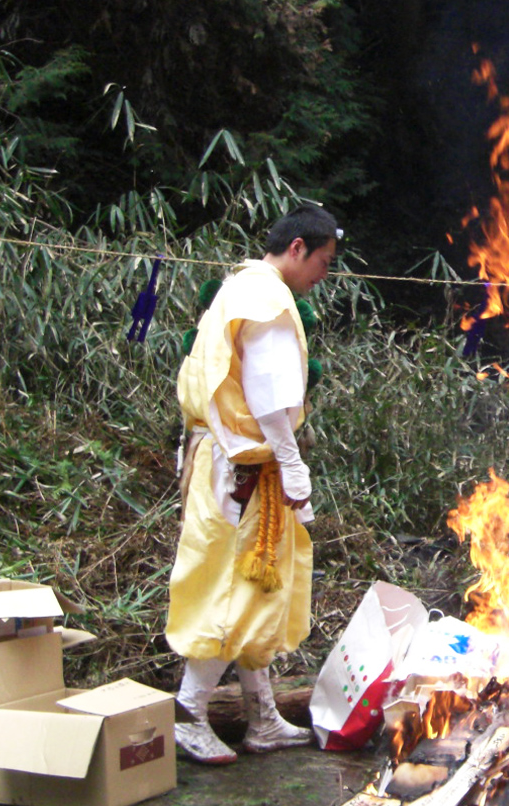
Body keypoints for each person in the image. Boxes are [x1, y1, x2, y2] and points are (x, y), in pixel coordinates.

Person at [165, 205, 341, 764]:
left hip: (230, 459)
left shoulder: (241, 286)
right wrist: (292, 465)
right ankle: (189, 712)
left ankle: (263, 716)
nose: (324, 274)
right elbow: (269, 398)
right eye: (323, 262)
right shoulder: (266, 300)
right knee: (233, 590)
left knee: (256, 587)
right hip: (244, 466)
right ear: (297, 249)